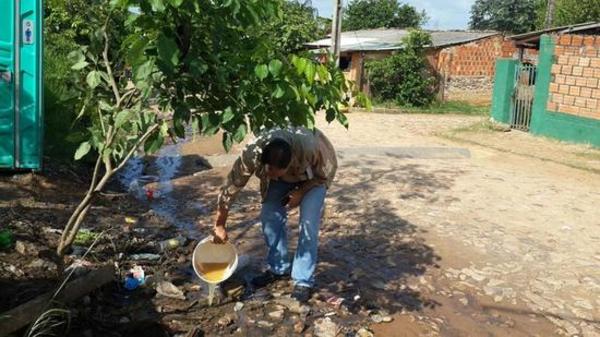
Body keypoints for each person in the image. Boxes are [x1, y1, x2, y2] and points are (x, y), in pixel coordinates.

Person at [211, 126, 337, 302]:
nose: (273, 176)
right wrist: (220, 225)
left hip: (313, 181)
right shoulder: (252, 153)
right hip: (282, 177)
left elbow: (325, 174)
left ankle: (303, 281)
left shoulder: (311, 146)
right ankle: (279, 268)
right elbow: (231, 188)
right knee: (269, 215)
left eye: (278, 173)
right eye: (270, 172)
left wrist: (300, 191)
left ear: (291, 162)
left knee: (308, 224)